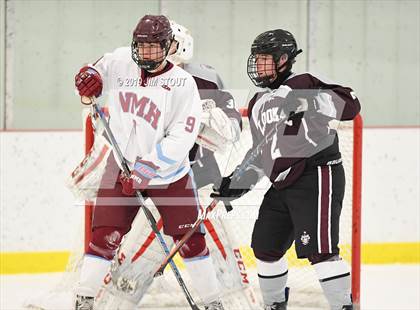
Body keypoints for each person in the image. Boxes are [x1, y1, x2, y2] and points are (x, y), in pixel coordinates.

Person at [74, 15, 224, 310]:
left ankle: (212, 301)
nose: (148, 54)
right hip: (120, 166)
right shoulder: (119, 61)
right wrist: (87, 78)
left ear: (169, 46)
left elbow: (183, 136)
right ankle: (84, 298)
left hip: (171, 174)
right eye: (143, 47)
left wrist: (147, 168)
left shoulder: (182, 84)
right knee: (105, 235)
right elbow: (95, 72)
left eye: (156, 48)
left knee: (191, 240)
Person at [211, 29, 361, 310]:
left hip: (317, 173)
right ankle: (275, 306)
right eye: (256, 58)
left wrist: (311, 100)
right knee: (265, 246)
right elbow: (261, 154)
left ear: (284, 59)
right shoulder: (257, 103)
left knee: (320, 251)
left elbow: (351, 103)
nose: (258, 65)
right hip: (282, 184)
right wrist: (237, 183)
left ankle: (343, 306)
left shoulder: (305, 81)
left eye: (265, 59)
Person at [167, 20, 242, 190]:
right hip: (156, 171)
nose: (162, 49)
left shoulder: (206, 79)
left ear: (183, 45)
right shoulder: (140, 79)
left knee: (210, 216)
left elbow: (231, 113)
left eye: (168, 43)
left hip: (202, 172)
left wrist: (230, 126)